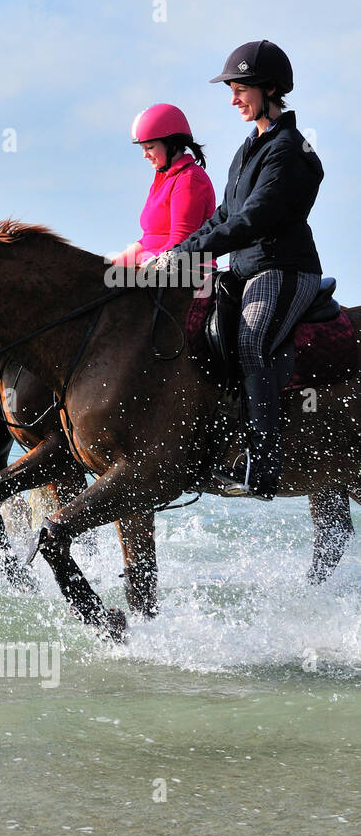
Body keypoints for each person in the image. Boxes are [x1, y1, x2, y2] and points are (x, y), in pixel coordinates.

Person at [152, 40, 323, 499]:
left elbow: (253, 220)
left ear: (269, 88)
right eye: (232, 89)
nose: (233, 99)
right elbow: (225, 214)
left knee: (251, 339)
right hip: (245, 269)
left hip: (284, 270)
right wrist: (181, 251)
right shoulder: (250, 148)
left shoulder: (288, 149)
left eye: (240, 89)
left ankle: (263, 466)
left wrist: (188, 252)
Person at [110, 104, 215, 267]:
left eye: (150, 147)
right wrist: (111, 264)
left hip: (187, 271)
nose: (145, 155)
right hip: (155, 267)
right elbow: (148, 239)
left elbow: (181, 240)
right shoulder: (161, 178)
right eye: (143, 148)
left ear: (172, 145)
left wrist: (143, 267)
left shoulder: (189, 179)